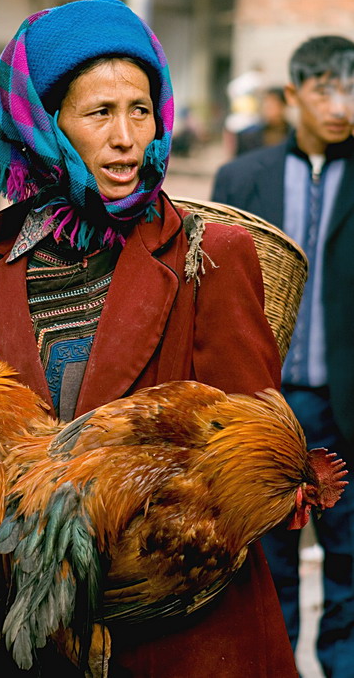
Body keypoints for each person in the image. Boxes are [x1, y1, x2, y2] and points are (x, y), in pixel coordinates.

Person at [0, 0, 296, 677]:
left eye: (140, 109)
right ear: (46, 125)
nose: (127, 137)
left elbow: (256, 444)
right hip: (28, 630)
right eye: (99, 113)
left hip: (180, 635)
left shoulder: (211, 253)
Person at [212, 35, 354, 677]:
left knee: (352, 563)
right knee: (267, 568)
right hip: (264, 406)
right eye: (326, 88)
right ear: (293, 95)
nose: (341, 104)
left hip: (348, 405)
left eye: (352, 89)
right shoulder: (242, 179)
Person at [235, 87, 292, 155]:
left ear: (283, 105)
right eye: (266, 102)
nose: (267, 107)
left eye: (272, 102)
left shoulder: (294, 135)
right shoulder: (249, 136)